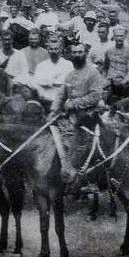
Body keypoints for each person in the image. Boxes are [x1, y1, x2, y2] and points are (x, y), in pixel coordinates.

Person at [51, 42, 105, 182]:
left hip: (88, 116)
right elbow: (62, 94)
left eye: (80, 52)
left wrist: (74, 103)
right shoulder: (70, 75)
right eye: (74, 52)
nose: (77, 55)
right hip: (71, 116)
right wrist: (53, 110)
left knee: (79, 144)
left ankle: (80, 176)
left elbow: (95, 95)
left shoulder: (93, 73)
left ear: (85, 54)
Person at [31, 35, 74, 109]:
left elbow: (70, 85)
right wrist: (55, 82)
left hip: (61, 103)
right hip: (43, 102)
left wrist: (47, 83)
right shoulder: (41, 66)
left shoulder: (68, 65)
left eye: (56, 49)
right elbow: (35, 85)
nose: (53, 51)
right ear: (47, 49)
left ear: (61, 49)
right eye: (51, 49)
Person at [102, 27, 129, 104]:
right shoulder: (109, 51)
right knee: (103, 100)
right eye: (117, 36)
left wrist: (124, 81)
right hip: (110, 82)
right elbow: (105, 68)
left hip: (124, 83)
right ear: (114, 37)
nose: (119, 38)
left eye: (121, 36)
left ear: (125, 37)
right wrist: (104, 80)